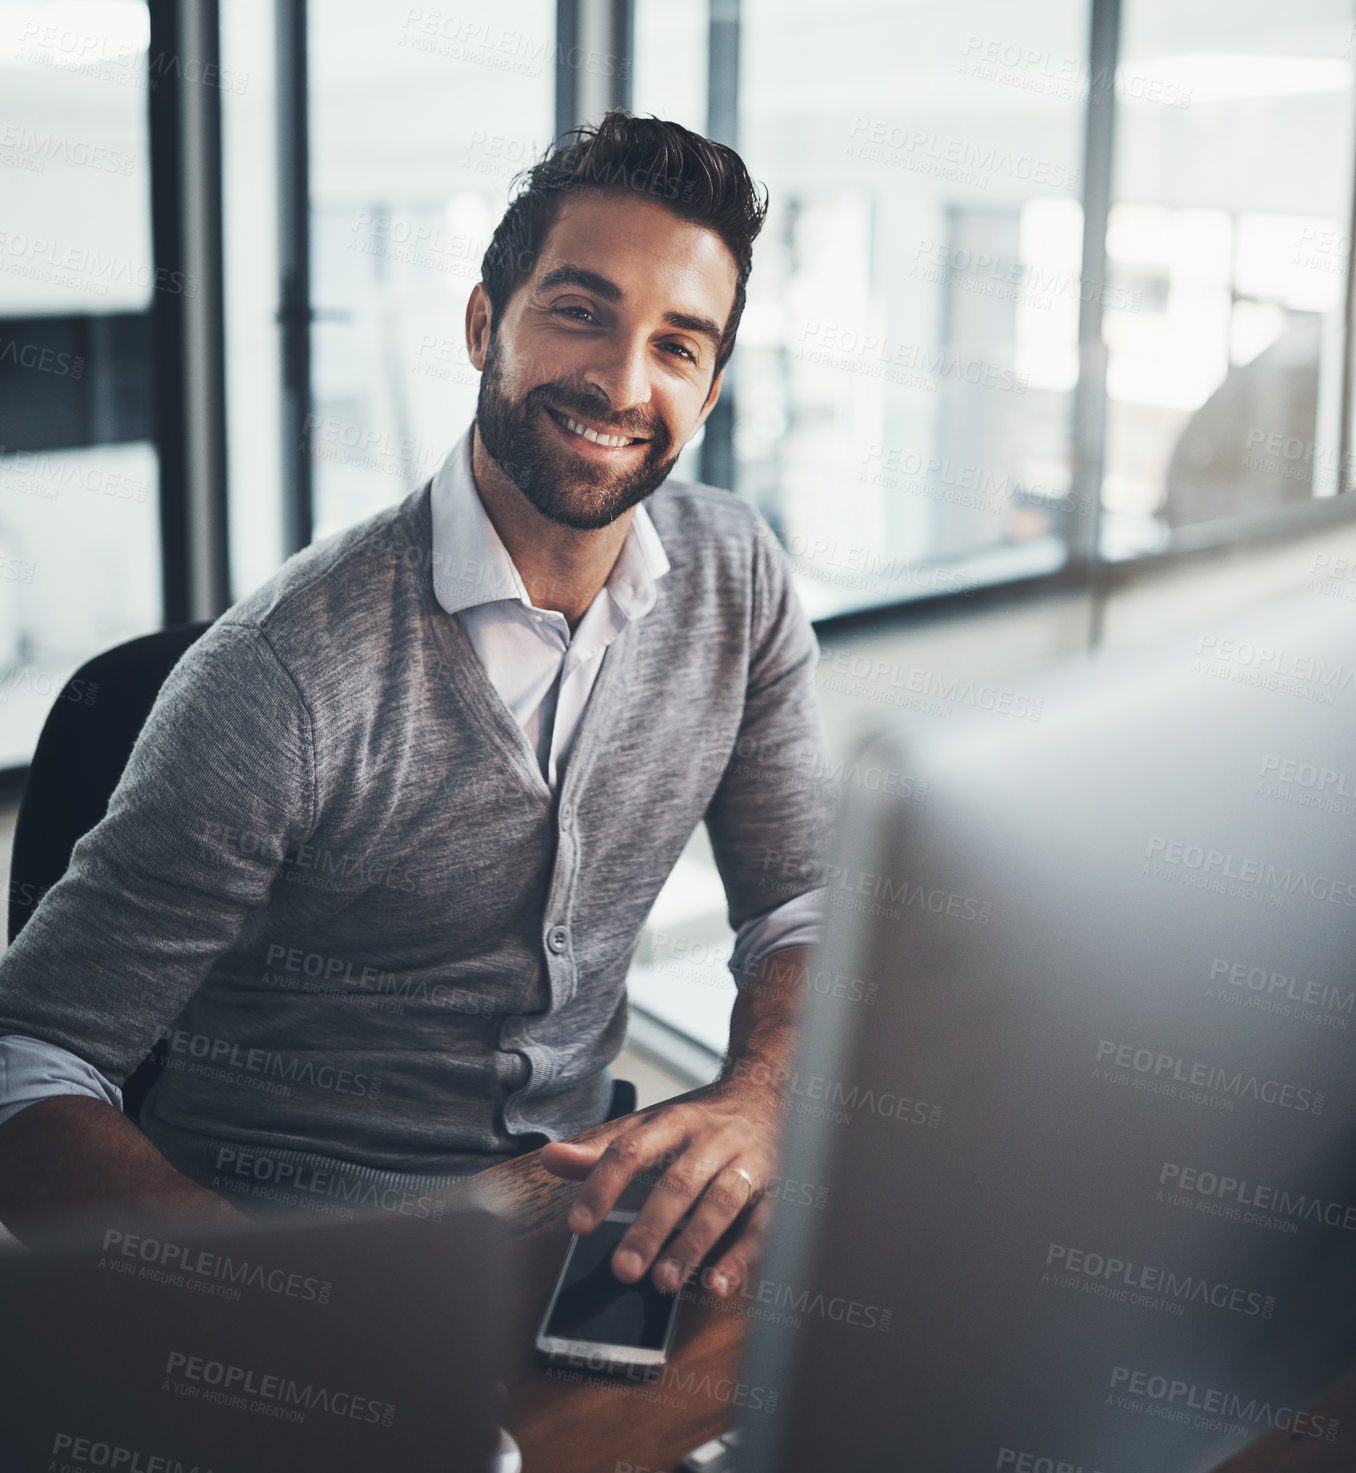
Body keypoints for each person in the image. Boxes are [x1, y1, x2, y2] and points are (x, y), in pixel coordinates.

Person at [0, 112, 835, 1303]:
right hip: (291, 1265)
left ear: (708, 387)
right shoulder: (280, 681)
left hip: (568, 1226)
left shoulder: (737, 573)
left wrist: (763, 1096)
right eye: (580, 311)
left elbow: (803, 901)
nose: (621, 380)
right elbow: (29, 1061)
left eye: (679, 344)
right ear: (485, 322)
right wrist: (288, 1303)